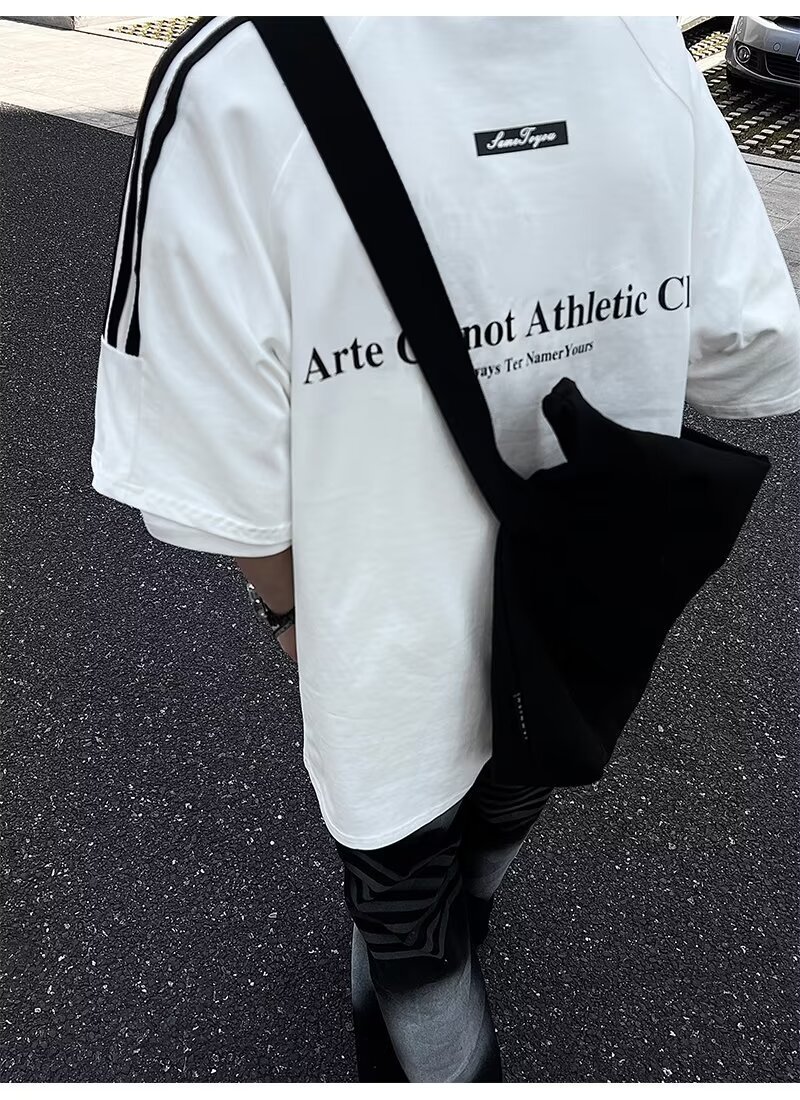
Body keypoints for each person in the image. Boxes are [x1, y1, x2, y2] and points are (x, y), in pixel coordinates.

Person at [90, 15, 800, 1084]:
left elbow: (203, 459)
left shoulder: (236, 73)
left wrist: (290, 611)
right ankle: (475, 906)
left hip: (384, 617)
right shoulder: (640, 42)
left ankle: (432, 978)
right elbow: (744, 346)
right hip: (586, 586)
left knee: (403, 883)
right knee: (528, 756)